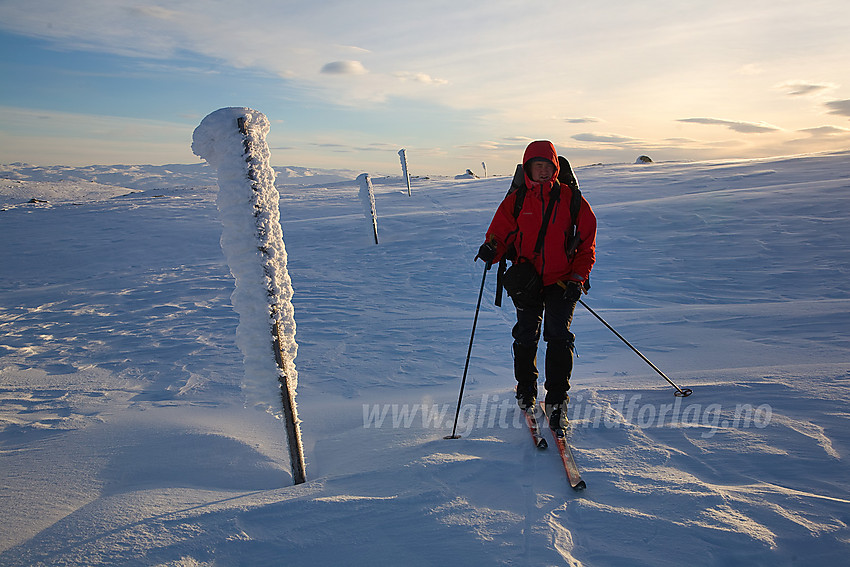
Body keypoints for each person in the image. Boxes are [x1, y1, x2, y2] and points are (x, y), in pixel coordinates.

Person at [476, 140, 596, 434]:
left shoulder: (572, 199)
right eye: (537, 166)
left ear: (556, 169)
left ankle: (557, 400)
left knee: (558, 336)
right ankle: (526, 390)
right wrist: (492, 249)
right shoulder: (516, 200)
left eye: (548, 167)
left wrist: (577, 279)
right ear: (527, 168)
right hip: (527, 279)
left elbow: (587, 244)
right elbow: (499, 233)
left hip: (562, 281)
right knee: (526, 334)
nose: (543, 172)